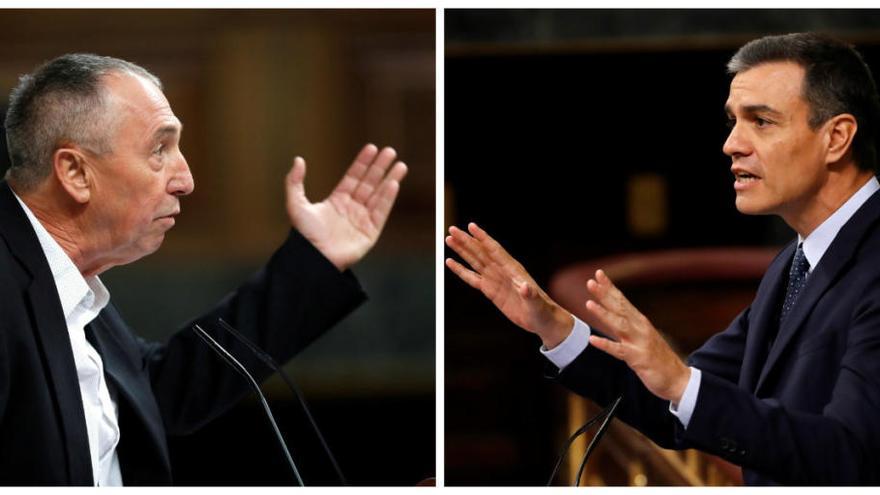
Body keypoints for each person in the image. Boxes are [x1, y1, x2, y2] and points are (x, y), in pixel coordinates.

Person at [446, 32, 880, 485]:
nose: (732, 144)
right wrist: (555, 327)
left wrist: (679, 383)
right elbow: (677, 403)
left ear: (837, 137)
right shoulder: (795, 261)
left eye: (762, 122)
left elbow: (849, 456)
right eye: (733, 121)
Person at [0, 53, 408, 485]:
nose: (186, 179)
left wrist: (313, 264)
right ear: (75, 172)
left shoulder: (66, 283)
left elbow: (156, 392)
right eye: (160, 149)